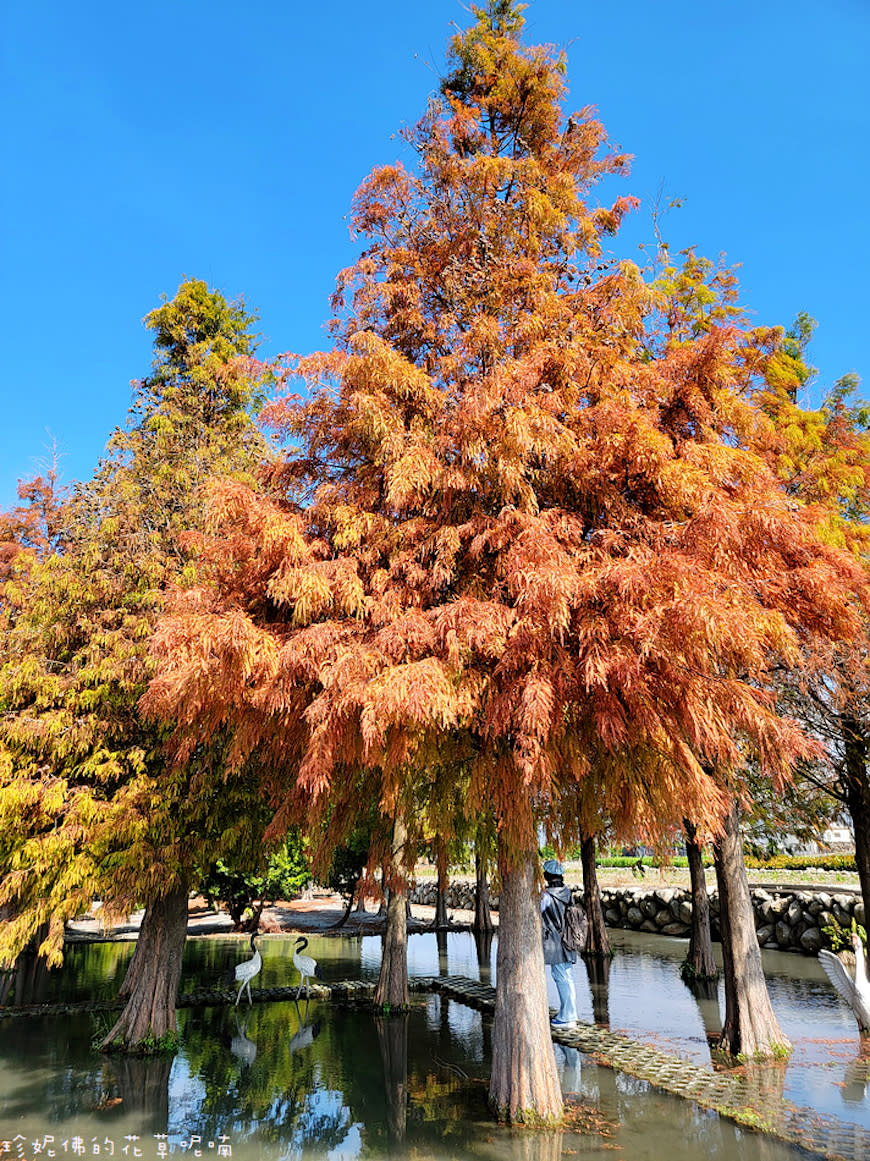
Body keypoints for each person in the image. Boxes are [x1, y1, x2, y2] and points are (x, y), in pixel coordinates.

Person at [541, 857, 578, 1030]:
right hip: (569, 939)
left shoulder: (546, 896)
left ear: (547, 875)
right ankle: (569, 1014)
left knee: (561, 978)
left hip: (554, 942)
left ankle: (567, 1018)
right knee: (567, 977)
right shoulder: (567, 892)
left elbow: (537, 913)